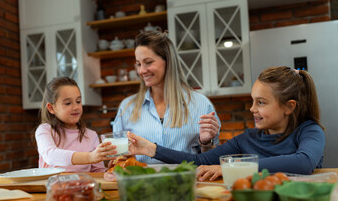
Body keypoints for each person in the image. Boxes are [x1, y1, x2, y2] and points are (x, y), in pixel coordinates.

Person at [127, 66, 325, 180]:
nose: (252, 109)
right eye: (253, 101)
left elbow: (303, 162)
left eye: (261, 103)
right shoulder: (246, 139)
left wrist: (232, 168)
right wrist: (151, 149)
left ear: (289, 107)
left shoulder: (309, 132)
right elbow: (201, 162)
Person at [113, 31, 221, 164]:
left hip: (186, 181)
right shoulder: (127, 107)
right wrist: (119, 158)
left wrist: (206, 143)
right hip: (141, 183)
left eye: (148, 62)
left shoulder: (200, 104)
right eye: (139, 64)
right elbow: (119, 156)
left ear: (168, 61)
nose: (141, 70)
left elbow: (210, 161)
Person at [35, 77, 117, 172]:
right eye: (68, 103)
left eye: (78, 101)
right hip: (51, 185)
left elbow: (97, 171)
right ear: (51, 108)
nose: (76, 107)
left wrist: (110, 170)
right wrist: (90, 157)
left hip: (83, 186)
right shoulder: (45, 130)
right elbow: (50, 155)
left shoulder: (91, 135)